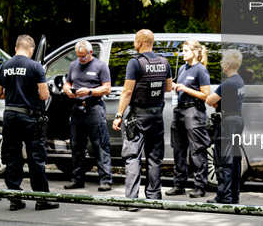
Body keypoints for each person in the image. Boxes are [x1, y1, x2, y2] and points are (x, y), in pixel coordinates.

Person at [0, 35, 59, 211]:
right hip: (29, 117)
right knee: (35, 158)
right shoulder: (35, 66)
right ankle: (42, 199)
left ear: (16, 48)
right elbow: (45, 95)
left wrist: (13, 93)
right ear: (31, 50)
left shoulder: (5, 66)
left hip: (10, 116)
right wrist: (30, 93)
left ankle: (14, 199)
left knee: (13, 158)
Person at [111, 29, 172, 211]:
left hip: (138, 116)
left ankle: (131, 201)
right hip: (156, 116)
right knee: (154, 158)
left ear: (139, 42)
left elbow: (127, 91)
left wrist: (119, 115)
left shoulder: (135, 63)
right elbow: (168, 88)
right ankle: (154, 198)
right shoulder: (164, 61)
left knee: (132, 157)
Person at [62, 40, 113, 191]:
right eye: (78, 56)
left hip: (94, 107)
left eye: (83, 57)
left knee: (100, 145)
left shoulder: (100, 66)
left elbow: (107, 88)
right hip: (77, 109)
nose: (81, 59)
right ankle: (77, 179)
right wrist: (67, 90)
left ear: (91, 53)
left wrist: (89, 91)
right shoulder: (73, 65)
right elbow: (67, 83)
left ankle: (105, 180)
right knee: (77, 146)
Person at [166, 40, 211, 198]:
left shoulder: (201, 70)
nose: (182, 53)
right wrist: (175, 87)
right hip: (179, 110)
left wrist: (186, 89)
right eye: (182, 50)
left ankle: (200, 186)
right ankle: (179, 184)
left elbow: (206, 95)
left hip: (194, 111)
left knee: (197, 150)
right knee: (178, 149)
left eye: (185, 50)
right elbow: (179, 88)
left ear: (195, 52)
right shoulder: (183, 68)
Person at [206, 49, 245, 204]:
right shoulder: (240, 80)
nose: (221, 64)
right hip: (237, 121)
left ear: (228, 65)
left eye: (222, 61)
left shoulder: (228, 83)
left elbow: (210, 100)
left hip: (227, 122)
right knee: (234, 160)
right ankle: (234, 195)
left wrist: (215, 100)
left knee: (223, 161)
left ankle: (224, 196)